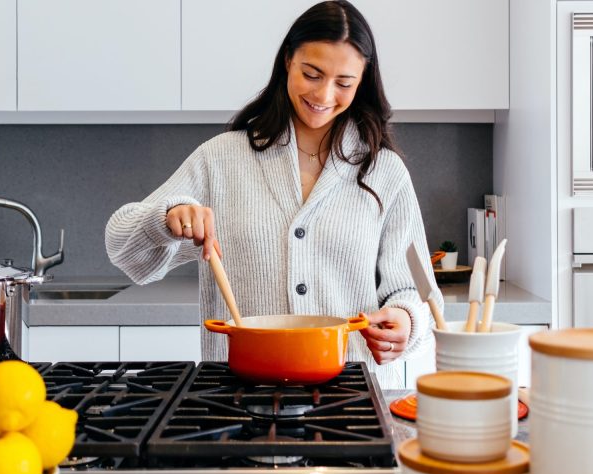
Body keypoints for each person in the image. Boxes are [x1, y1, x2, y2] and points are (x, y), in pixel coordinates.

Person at [105, 0, 442, 388]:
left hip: (349, 399)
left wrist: (404, 319)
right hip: (236, 397)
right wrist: (166, 218)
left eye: (344, 83)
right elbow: (123, 248)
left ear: (363, 81)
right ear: (287, 61)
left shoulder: (384, 171)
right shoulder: (223, 159)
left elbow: (415, 290)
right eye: (311, 73)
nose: (325, 94)